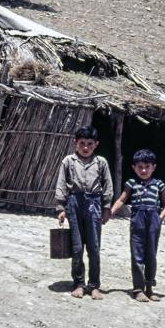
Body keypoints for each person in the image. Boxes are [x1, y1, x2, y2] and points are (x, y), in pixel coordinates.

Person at [55, 125, 114, 300]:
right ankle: (79, 283)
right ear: (75, 143)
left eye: (90, 144)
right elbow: (61, 184)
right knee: (77, 247)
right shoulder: (68, 161)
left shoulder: (101, 162)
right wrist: (61, 208)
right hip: (74, 203)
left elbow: (108, 185)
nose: (86, 147)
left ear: (96, 144)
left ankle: (94, 285)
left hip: (94, 204)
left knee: (94, 247)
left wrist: (107, 207)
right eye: (82, 143)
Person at [110, 149, 165, 302]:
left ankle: (149, 288)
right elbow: (121, 200)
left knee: (151, 254)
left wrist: (159, 219)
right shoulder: (131, 183)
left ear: (153, 167)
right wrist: (109, 213)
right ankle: (138, 289)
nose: (143, 170)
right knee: (137, 254)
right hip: (137, 221)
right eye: (140, 167)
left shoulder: (159, 185)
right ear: (134, 168)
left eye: (147, 167)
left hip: (153, 222)